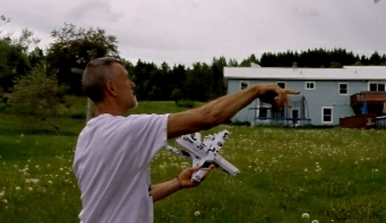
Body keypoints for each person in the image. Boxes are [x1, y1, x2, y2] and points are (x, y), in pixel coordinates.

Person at [72, 57, 299, 223]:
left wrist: (177, 183)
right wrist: (256, 90)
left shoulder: (88, 136)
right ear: (111, 88)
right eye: (127, 79)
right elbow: (208, 117)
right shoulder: (126, 130)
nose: (132, 84)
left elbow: (125, 196)